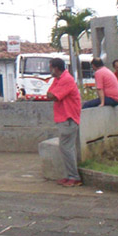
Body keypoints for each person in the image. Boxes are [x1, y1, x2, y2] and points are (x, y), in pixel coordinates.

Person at [46, 58, 82, 187]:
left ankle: (74, 177)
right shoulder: (58, 79)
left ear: (56, 68)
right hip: (63, 117)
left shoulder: (66, 79)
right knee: (65, 148)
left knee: (67, 148)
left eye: (50, 67)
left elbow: (54, 96)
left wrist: (52, 94)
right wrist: (52, 94)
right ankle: (69, 175)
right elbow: (48, 94)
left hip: (69, 118)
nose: (49, 70)